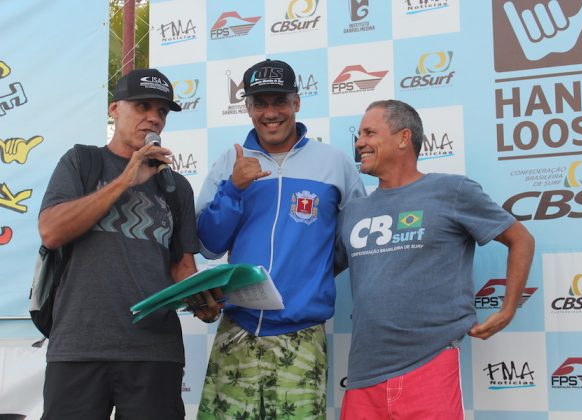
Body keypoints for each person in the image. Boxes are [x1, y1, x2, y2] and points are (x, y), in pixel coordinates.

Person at [38, 68, 220, 420]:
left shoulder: (176, 186)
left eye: (162, 111)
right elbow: (51, 231)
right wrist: (126, 180)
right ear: (114, 109)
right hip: (79, 347)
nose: (153, 118)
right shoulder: (81, 161)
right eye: (142, 106)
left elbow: (183, 269)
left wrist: (203, 301)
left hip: (155, 351)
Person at [335, 100, 535, 419]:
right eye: (358, 135)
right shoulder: (354, 211)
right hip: (362, 375)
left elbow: (520, 238)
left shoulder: (451, 190)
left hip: (428, 365)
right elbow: (318, 271)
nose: (359, 143)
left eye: (369, 132)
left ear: (403, 138)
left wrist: (508, 308)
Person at [195, 59, 366, 419]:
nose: (270, 113)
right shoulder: (230, 162)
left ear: (296, 103)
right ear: (248, 108)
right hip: (237, 329)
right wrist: (234, 188)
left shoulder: (334, 163)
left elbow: (355, 241)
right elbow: (208, 244)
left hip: (301, 335)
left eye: (279, 101)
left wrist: (310, 279)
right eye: (260, 103)